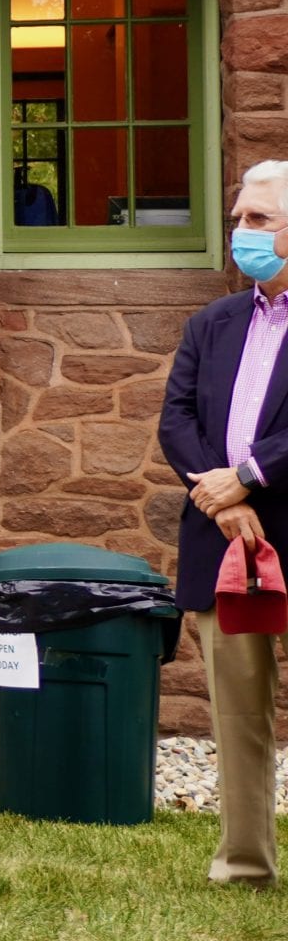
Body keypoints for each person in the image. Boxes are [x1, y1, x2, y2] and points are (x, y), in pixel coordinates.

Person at [159, 158, 288, 888]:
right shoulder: (213, 322)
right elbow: (175, 420)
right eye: (240, 218)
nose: (242, 232)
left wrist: (251, 473)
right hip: (226, 544)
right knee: (239, 717)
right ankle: (245, 864)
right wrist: (223, 496)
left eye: (259, 220)